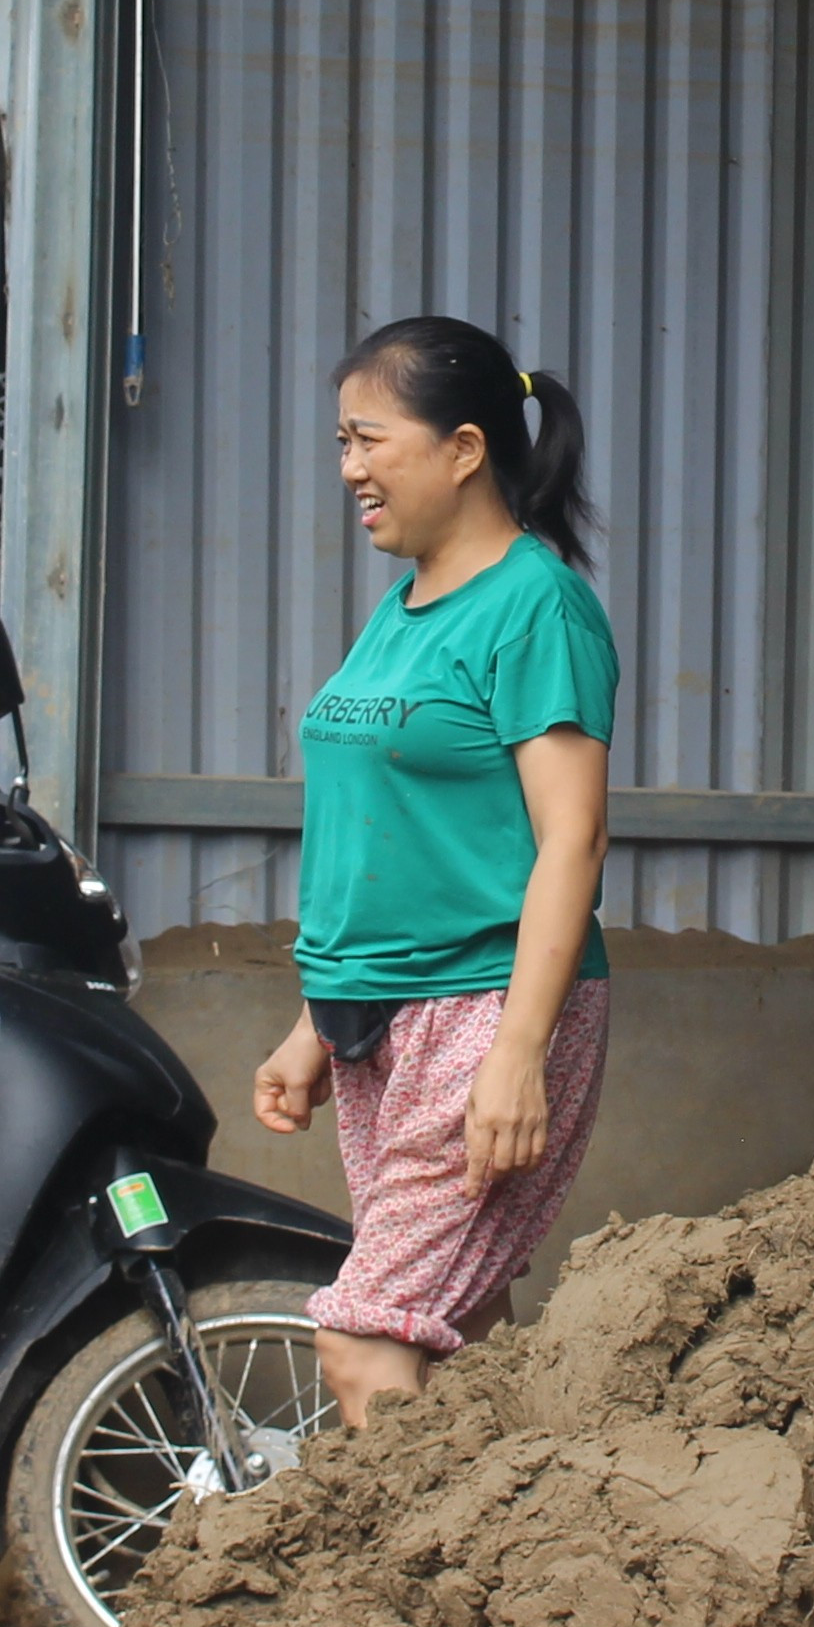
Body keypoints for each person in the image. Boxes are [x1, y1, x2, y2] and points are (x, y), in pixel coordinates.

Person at [248, 319, 619, 1428]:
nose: (349, 468)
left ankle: (378, 1602)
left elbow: (573, 841)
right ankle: (490, 1588)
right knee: (454, 1348)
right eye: (341, 442)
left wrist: (517, 1055)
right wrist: (316, 1025)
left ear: (464, 449)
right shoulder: (401, 611)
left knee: (366, 1340)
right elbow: (391, 836)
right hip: (380, 1016)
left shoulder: (535, 605)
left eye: (369, 439)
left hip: (483, 1008)